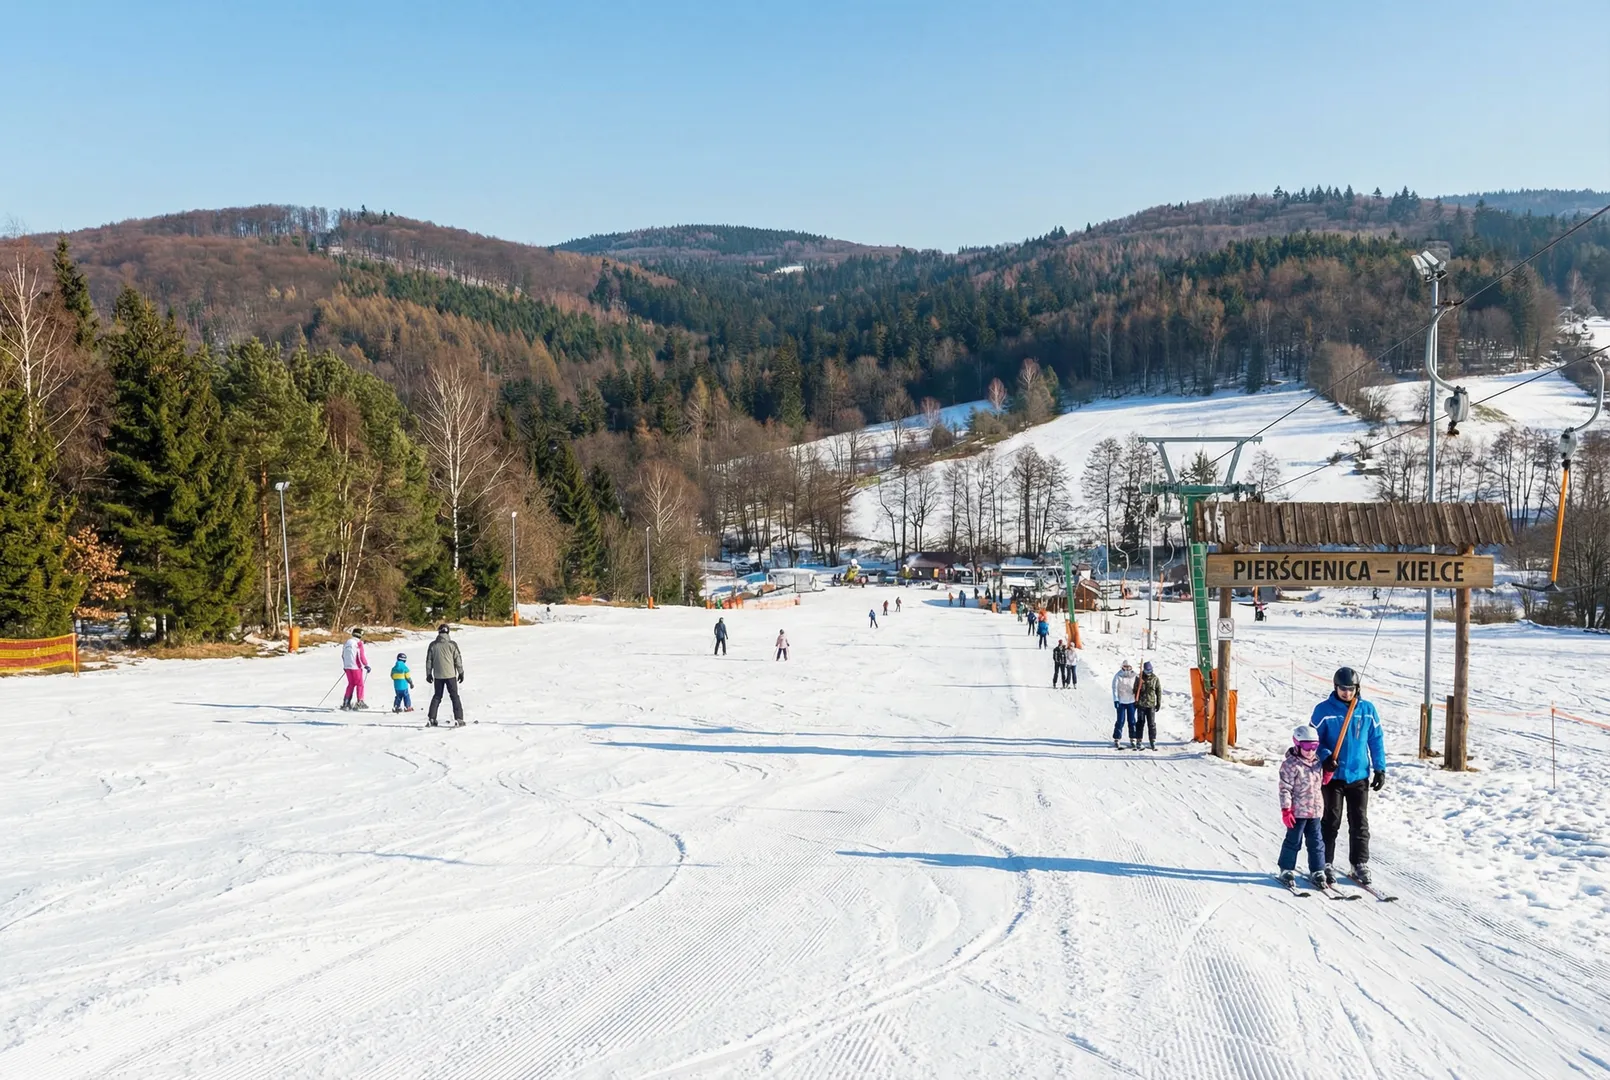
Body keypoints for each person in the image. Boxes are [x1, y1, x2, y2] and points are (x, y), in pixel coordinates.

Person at [1311, 666, 1387, 886]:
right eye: (1342, 689)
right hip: (1333, 777)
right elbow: (1314, 740)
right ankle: (1325, 863)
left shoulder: (1367, 709)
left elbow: (1376, 740)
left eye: (1350, 689)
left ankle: (1359, 863)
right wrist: (1325, 757)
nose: (1346, 693)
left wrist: (1379, 768)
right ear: (1335, 688)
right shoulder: (1323, 710)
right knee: (1330, 821)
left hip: (1359, 775)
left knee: (1359, 821)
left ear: (1357, 688)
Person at [1278, 724, 1328, 891]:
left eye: (1314, 747)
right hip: (1297, 812)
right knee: (1293, 841)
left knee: (1316, 843)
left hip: (1314, 812)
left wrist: (1329, 772)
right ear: (1297, 744)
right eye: (1306, 746)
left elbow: (1322, 783)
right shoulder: (1290, 765)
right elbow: (1285, 788)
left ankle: (1318, 870)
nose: (1310, 751)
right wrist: (1286, 809)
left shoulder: (1317, 763)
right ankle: (1286, 869)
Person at [425, 624, 466, 727]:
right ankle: (459, 718)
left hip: (438, 676)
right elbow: (458, 660)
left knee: (437, 696)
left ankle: (432, 718)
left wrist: (429, 674)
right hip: (450, 675)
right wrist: (461, 672)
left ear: (439, 632)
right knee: (454, 696)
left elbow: (429, 661)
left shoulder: (433, 645)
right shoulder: (452, 644)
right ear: (448, 632)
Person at [340, 628, 370, 711]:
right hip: (356, 667)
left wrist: (345, 665)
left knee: (351, 684)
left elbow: (342, 655)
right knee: (360, 684)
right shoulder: (358, 643)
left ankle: (346, 702)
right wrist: (366, 665)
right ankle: (360, 701)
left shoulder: (347, 642)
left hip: (347, 666)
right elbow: (361, 656)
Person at [1111, 660, 1139, 748]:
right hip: (1121, 701)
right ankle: (1117, 738)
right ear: (1122, 667)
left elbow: (1138, 687)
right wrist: (1116, 700)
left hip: (1131, 701)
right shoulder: (1118, 676)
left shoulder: (1135, 676)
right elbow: (1114, 688)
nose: (1127, 668)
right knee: (1120, 720)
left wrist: (1138, 699)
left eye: (1129, 666)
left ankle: (1133, 738)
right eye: (1125, 666)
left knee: (1132, 721)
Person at [1134, 660, 1161, 749]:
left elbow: (1158, 691)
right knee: (1140, 723)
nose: (1148, 673)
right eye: (1146, 671)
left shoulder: (1155, 679)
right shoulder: (1139, 678)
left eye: (1150, 671)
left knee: (1152, 723)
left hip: (1151, 704)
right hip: (1141, 704)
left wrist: (1158, 703)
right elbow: (1134, 690)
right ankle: (1138, 740)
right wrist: (1139, 688)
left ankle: (1152, 740)